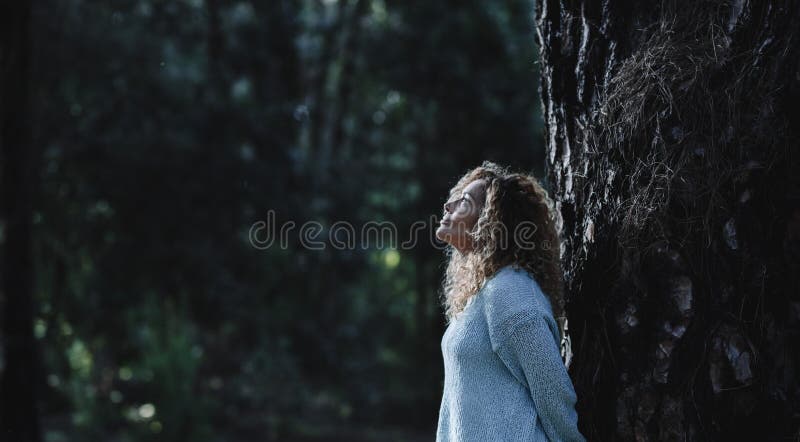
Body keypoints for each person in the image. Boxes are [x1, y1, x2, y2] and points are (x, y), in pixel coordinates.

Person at [434, 161, 585, 442]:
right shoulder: (482, 293)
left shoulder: (510, 290)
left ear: (491, 222)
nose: (449, 205)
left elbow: (552, 391)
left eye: (465, 201)